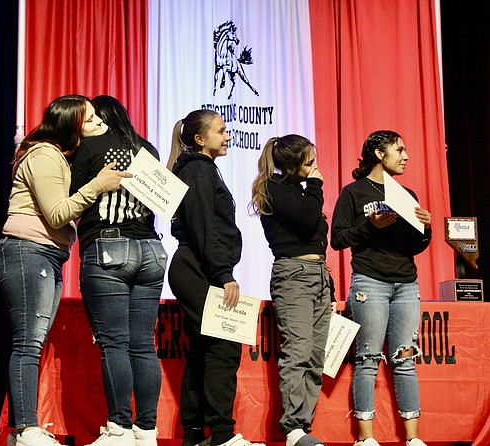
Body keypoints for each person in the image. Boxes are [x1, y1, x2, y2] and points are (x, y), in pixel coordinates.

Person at [0, 95, 131, 446]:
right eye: (91, 121)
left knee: (33, 342)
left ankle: (23, 428)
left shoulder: (58, 158)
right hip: (27, 251)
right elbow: (56, 213)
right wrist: (98, 184)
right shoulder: (45, 155)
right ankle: (25, 428)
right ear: (72, 126)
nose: (100, 125)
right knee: (28, 342)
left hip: (47, 254)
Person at [69, 95, 167, 446]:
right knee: (143, 344)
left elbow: (70, 195)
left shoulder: (92, 145)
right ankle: (147, 429)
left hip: (110, 245)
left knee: (114, 342)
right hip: (152, 250)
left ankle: (119, 428)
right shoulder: (148, 150)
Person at [331, 130, 432, 446]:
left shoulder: (407, 194)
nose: (406, 155)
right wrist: (369, 226)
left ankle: (412, 438)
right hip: (370, 282)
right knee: (368, 358)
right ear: (378, 153)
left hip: (406, 284)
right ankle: (366, 437)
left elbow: (415, 246)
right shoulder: (353, 193)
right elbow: (337, 239)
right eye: (399, 149)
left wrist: (425, 230)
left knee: (404, 358)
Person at [166, 109, 259, 446]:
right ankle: (221, 434)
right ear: (200, 139)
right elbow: (205, 224)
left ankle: (194, 434)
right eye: (221, 131)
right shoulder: (199, 170)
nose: (228, 136)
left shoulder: (201, 170)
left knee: (204, 349)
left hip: (196, 266)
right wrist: (223, 274)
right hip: (197, 268)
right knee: (223, 346)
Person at [249, 135, 332, 446]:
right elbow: (307, 219)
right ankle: (293, 427)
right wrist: (315, 186)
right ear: (292, 164)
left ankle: (303, 428)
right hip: (294, 276)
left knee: (315, 355)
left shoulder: (297, 191)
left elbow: (317, 231)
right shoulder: (275, 188)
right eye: (309, 162)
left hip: (318, 275)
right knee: (297, 352)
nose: (314, 168)